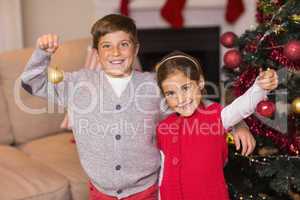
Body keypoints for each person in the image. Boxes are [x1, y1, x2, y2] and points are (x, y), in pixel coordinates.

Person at [21, 14, 257, 200]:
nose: (115, 52)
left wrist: (237, 122)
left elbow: (192, 104)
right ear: (96, 52)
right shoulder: (77, 84)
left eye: (124, 44)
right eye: (107, 46)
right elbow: (33, 83)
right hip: (101, 191)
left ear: (135, 49)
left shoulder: (152, 85)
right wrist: (42, 54)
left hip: (147, 190)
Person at [155, 51, 278, 200]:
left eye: (185, 88)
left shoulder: (214, 117)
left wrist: (260, 86)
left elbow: (242, 106)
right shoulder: (163, 127)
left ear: (200, 83)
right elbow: (162, 172)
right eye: (170, 93)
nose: (180, 98)